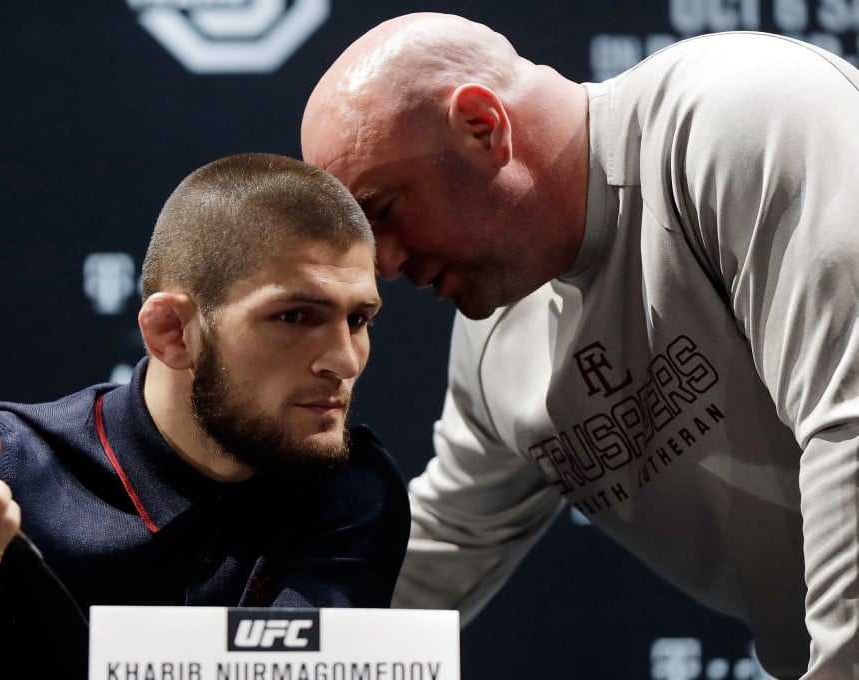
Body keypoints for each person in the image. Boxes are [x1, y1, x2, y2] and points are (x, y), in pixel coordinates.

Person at [300, 12, 859, 680]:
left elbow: (850, 421)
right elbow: (441, 550)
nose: (380, 267)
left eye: (383, 209)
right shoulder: (493, 340)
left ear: (482, 126)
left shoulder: (741, 114)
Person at [0, 152, 410, 679]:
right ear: (172, 333)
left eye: (358, 320)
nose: (343, 360)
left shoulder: (354, 492)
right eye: (293, 317)